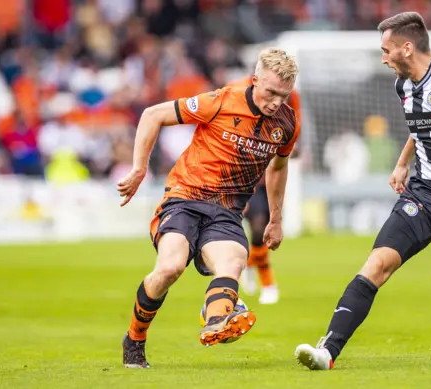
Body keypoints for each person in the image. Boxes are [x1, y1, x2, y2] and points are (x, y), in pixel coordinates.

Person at [295, 12, 431, 370]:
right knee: (377, 264)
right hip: (422, 193)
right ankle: (327, 352)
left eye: (386, 50)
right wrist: (404, 161)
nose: (383, 57)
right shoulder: (403, 84)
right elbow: (421, 127)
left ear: (407, 47)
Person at [117, 48, 300, 368]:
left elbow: (279, 168)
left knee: (232, 262)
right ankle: (134, 339)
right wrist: (139, 169)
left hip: (227, 212)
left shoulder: (286, 124)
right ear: (255, 80)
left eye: (283, 96)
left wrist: (276, 218)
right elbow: (152, 115)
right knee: (170, 267)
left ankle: (216, 320)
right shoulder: (221, 100)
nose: (275, 102)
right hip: (185, 198)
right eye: (270, 92)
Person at [224, 74, 302, 304]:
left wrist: (293, 148)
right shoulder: (236, 93)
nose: (277, 101)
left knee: (270, 226)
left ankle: (249, 264)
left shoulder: (291, 98)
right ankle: (268, 282)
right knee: (258, 228)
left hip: (273, 178)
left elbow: (295, 125)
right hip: (249, 181)